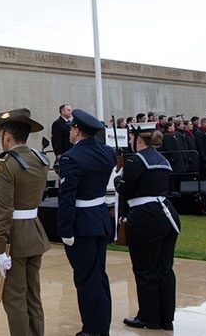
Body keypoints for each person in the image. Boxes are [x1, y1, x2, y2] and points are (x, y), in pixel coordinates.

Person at [0, 108, 51, 336]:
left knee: (14, 300)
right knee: (33, 296)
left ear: (6, 135)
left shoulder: (6, 164)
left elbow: (4, 210)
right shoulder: (39, 159)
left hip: (14, 239)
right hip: (34, 233)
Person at [115, 123, 180, 331]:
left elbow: (125, 189)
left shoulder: (135, 161)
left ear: (138, 140)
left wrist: (118, 178)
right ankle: (166, 318)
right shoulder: (162, 159)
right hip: (167, 214)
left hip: (146, 217)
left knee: (145, 269)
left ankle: (150, 318)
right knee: (164, 269)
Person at [57, 109, 116, 336]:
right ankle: (102, 327)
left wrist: (65, 229)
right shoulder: (107, 153)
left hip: (82, 224)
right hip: (100, 219)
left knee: (86, 279)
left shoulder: (73, 158)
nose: (70, 132)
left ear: (77, 130)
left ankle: (93, 330)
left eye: (72, 128)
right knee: (99, 276)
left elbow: (67, 197)